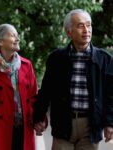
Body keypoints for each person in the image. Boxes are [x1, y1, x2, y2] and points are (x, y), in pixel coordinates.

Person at [33, 9, 113, 150]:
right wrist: (39, 117)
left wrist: (109, 123)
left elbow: (111, 94)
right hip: (63, 123)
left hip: (91, 124)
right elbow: (46, 90)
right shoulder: (56, 58)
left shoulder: (104, 59)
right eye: (80, 26)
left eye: (89, 25)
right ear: (68, 32)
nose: (86, 30)